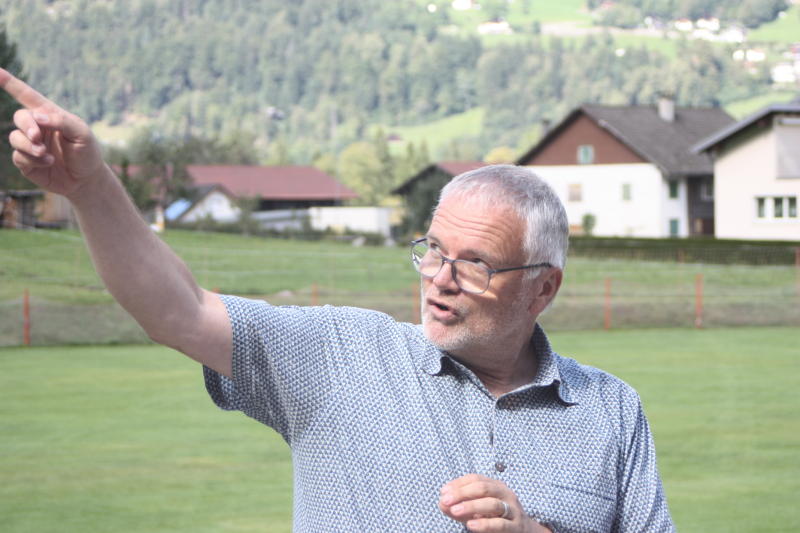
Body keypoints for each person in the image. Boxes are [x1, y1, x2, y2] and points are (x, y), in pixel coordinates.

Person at [1, 68, 674, 532]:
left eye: (473, 264)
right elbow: (177, 310)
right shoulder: (340, 357)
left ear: (542, 286)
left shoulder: (612, 410)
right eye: (433, 250)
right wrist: (89, 187)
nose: (439, 278)